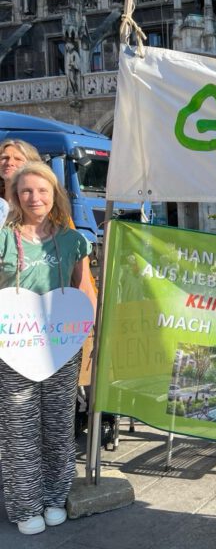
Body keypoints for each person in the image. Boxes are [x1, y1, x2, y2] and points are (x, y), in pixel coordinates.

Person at [0, 162, 97, 535]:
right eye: (26, 191)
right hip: (14, 347)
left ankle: (55, 497)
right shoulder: (5, 238)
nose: (34, 198)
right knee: (18, 429)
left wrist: (91, 335)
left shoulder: (74, 240)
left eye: (42, 191)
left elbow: (84, 288)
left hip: (61, 344)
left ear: (54, 195)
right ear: (15, 197)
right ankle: (26, 506)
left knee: (58, 425)